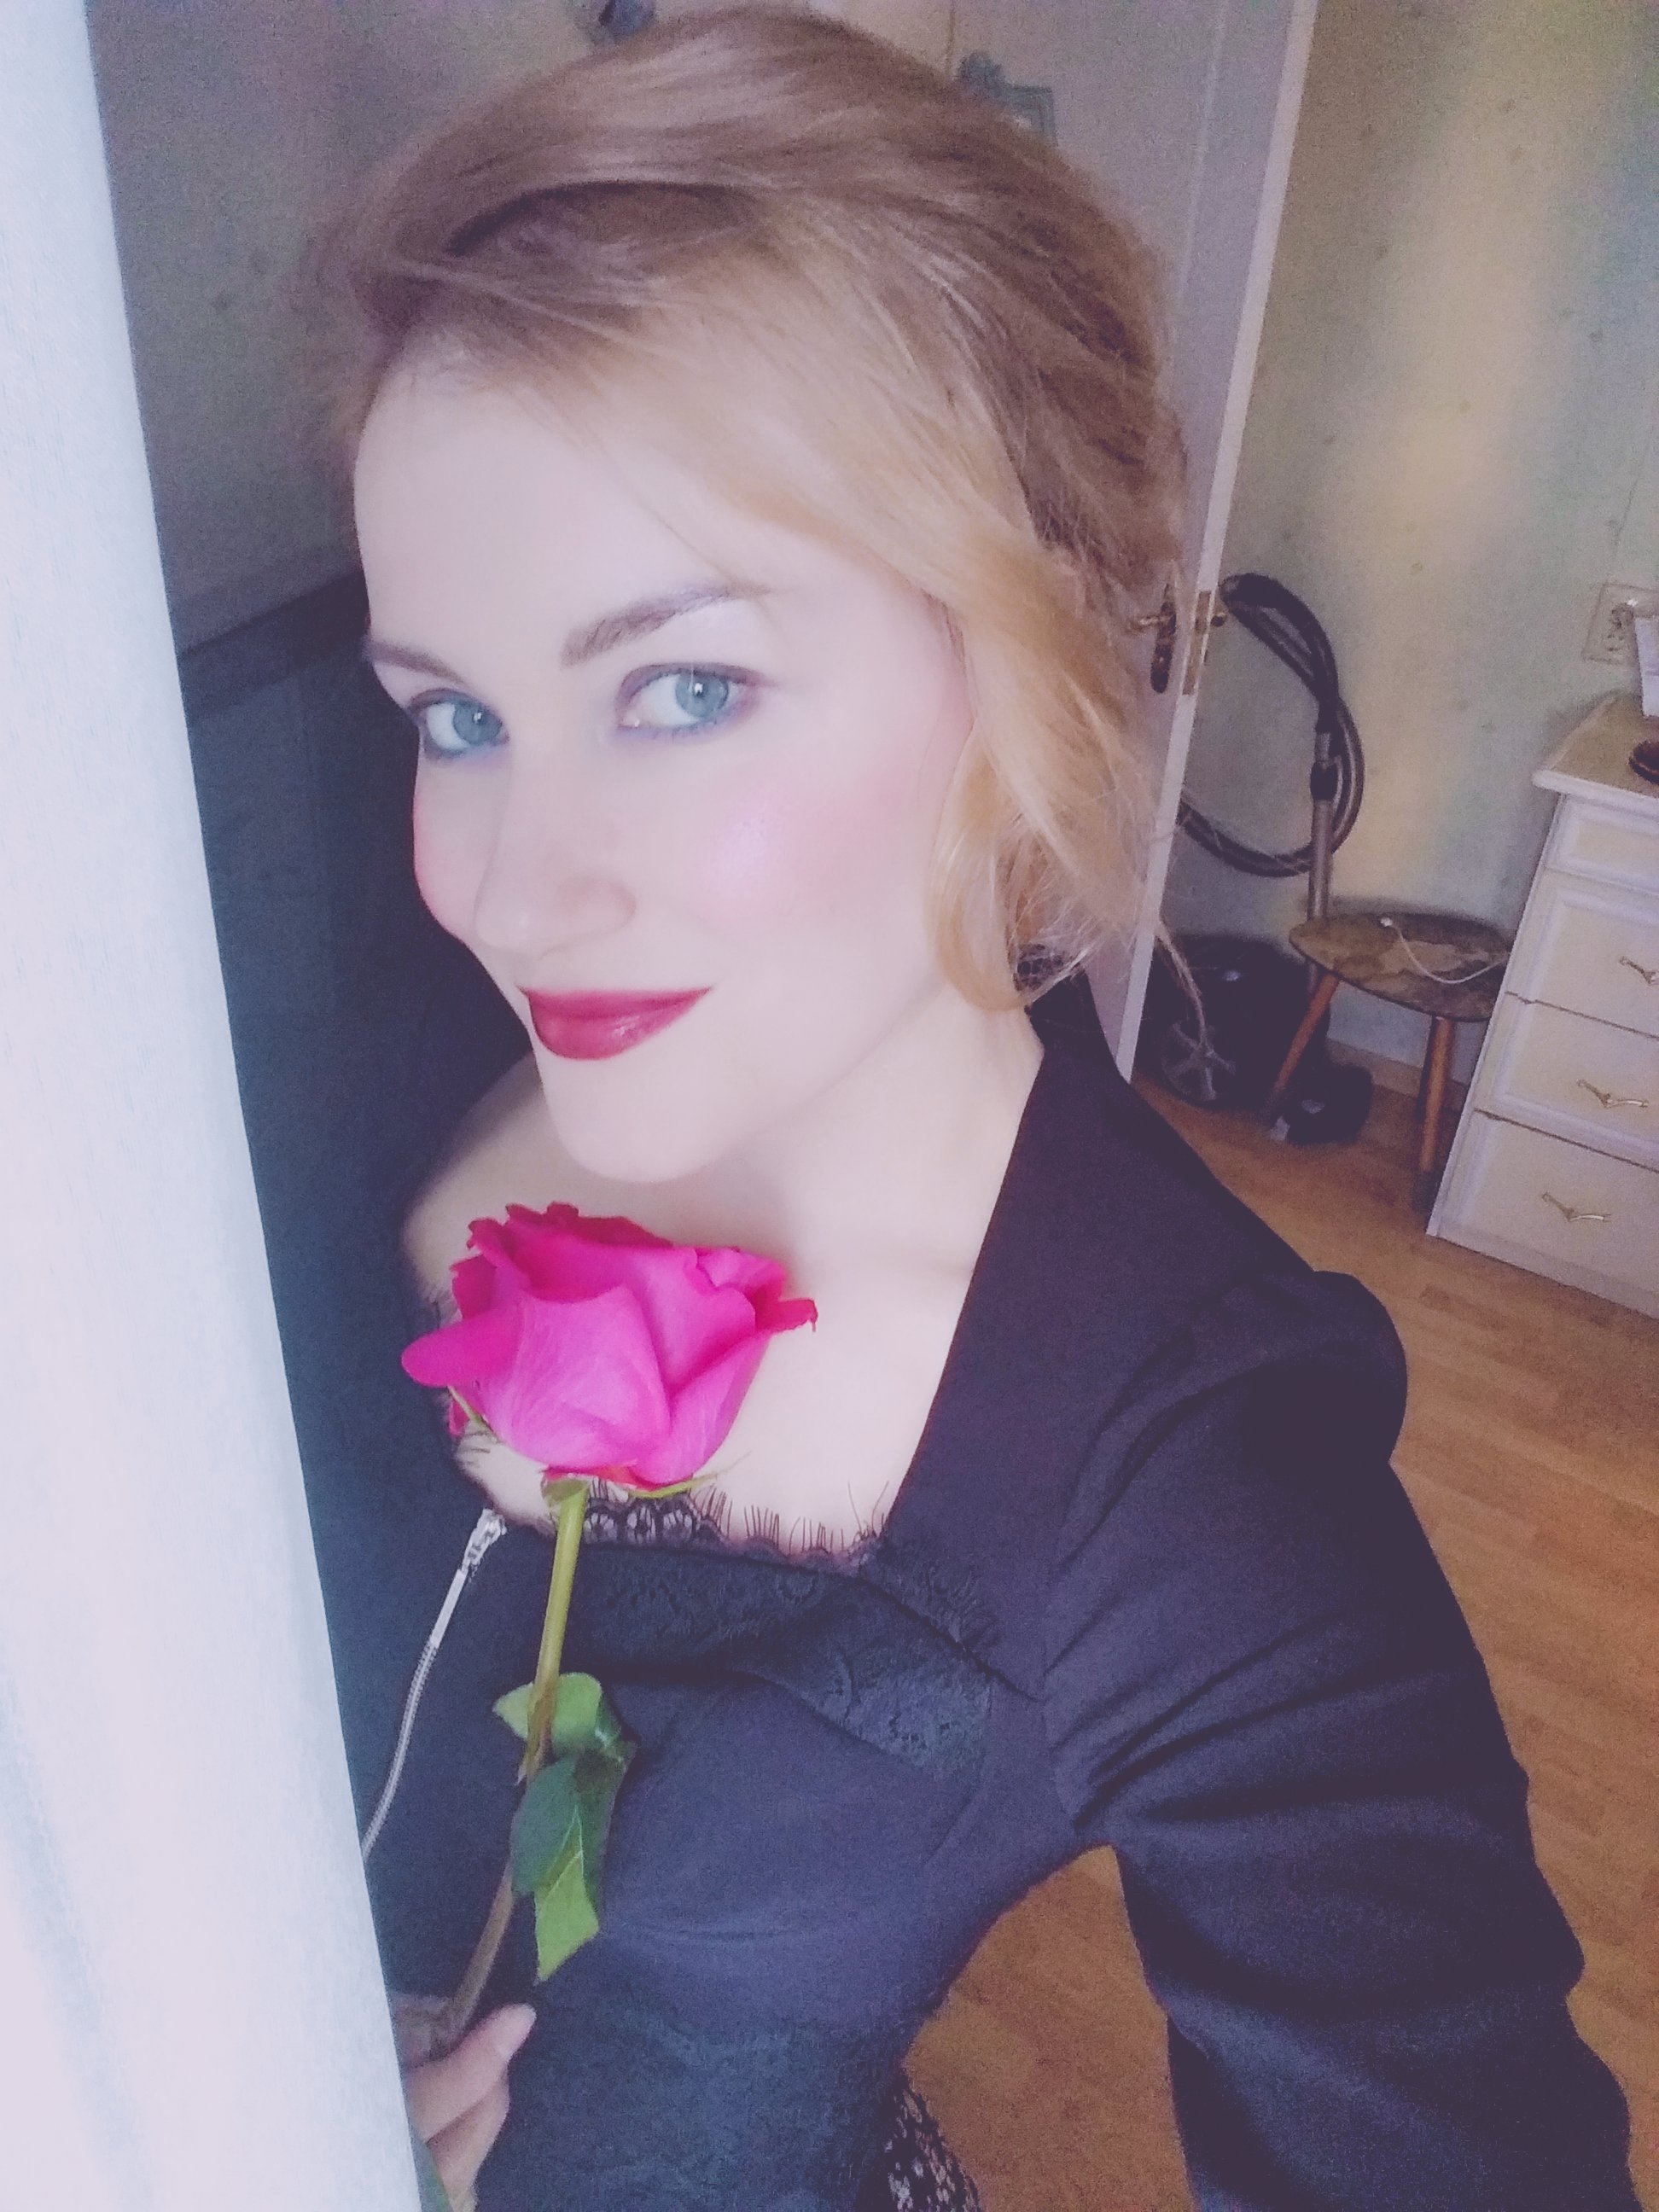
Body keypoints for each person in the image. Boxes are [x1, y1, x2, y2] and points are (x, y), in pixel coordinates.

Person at [294, 9, 1638, 2207]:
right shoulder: (336, 1030)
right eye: (455, 719)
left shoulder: (1188, 1472)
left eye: (686, 686)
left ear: (1037, 642)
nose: (513, 893)